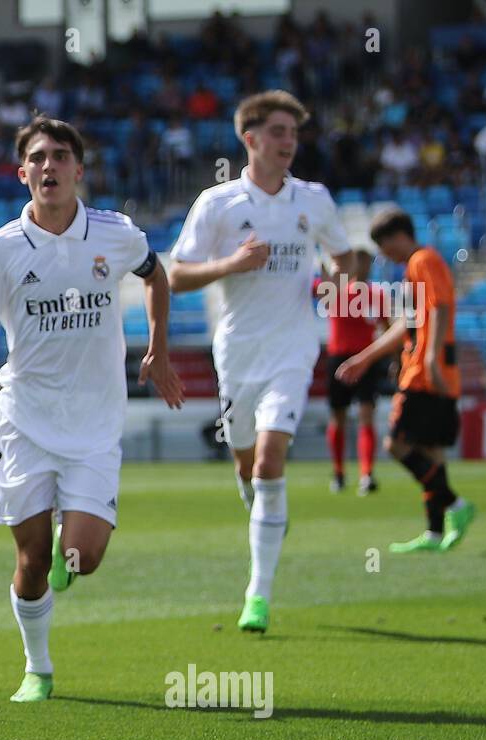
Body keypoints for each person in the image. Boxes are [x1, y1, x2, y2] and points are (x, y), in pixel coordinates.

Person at [0, 118, 184, 701]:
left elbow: (156, 274)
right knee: (33, 557)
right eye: (37, 158)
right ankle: (37, 668)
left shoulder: (115, 234)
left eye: (59, 156)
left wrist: (158, 348)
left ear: (78, 170)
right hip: (24, 422)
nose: (49, 166)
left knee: (82, 557)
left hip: (93, 424)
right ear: (22, 174)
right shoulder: (1, 250)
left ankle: (73, 528)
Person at [169, 90, 354, 634]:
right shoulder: (217, 203)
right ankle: (266, 513)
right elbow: (177, 276)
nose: (288, 142)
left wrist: (337, 284)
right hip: (237, 350)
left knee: (272, 461)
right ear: (250, 140)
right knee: (248, 467)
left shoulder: (314, 199)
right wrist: (232, 263)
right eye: (277, 132)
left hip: (294, 348)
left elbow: (343, 258)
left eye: (293, 134)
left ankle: (258, 593)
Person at [337, 209, 475, 552]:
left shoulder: (422, 261)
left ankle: (456, 506)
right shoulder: (417, 266)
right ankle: (434, 532)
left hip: (425, 373)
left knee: (397, 444)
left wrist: (429, 358)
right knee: (430, 451)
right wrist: (367, 357)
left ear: (398, 236)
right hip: (429, 369)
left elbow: (441, 307)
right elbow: (407, 325)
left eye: (384, 246)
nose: (384, 255)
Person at [317, 248, 388, 494]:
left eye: (366, 262)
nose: (364, 266)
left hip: (366, 359)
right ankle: (338, 473)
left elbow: (387, 328)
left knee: (366, 414)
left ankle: (366, 474)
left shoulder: (375, 294)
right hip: (339, 358)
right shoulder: (336, 291)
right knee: (339, 416)